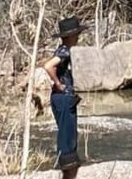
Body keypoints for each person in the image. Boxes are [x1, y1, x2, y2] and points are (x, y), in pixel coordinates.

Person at [44, 16, 87, 179]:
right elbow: (48, 65)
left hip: (65, 99)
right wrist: (58, 83)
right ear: (69, 36)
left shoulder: (68, 51)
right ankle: (68, 173)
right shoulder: (64, 51)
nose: (78, 37)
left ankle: (69, 173)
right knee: (67, 139)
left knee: (69, 137)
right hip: (63, 99)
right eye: (76, 34)